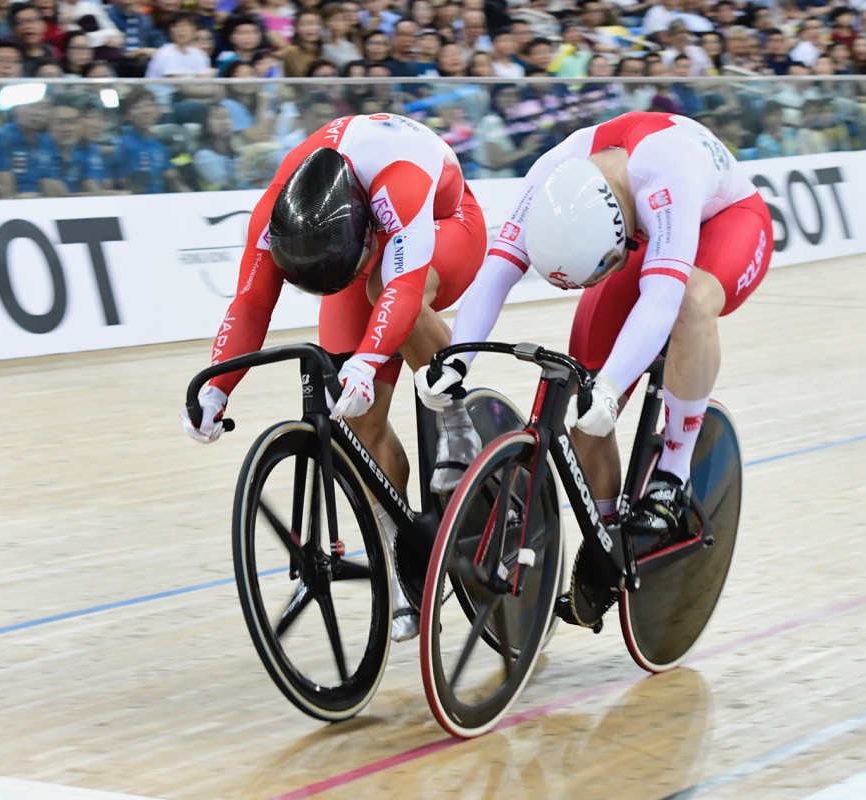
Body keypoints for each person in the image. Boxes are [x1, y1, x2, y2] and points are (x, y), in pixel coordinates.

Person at [417, 111, 772, 578]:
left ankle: (673, 475)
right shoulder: (552, 174)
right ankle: (609, 538)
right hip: (643, 229)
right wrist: (457, 360)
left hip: (728, 222)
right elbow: (499, 269)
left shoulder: (670, 169)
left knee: (689, 301)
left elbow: (662, 295)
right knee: (584, 417)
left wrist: (612, 387)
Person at [180, 112, 489, 642]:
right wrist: (215, 388)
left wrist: (369, 362)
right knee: (358, 426)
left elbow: (404, 286)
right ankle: (401, 550)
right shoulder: (279, 206)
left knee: (382, 296)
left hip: (445, 224)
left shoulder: (400, 179)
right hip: (362, 240)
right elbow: (252, 301)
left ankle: (458, 417)